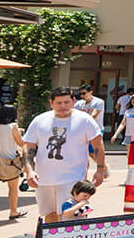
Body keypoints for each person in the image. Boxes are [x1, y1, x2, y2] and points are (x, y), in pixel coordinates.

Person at [23, 87, 108, 225]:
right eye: (58, 103)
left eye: (66, 102)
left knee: (71, 217)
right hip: (44, 180)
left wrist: (100, 170)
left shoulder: (85, 120)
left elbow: (98, 145)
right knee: (49, 216)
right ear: (51, 103)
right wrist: (29, 171)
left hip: (73, 178)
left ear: (73, 101)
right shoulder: (39, 120)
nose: (63, 106)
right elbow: (28, 147)